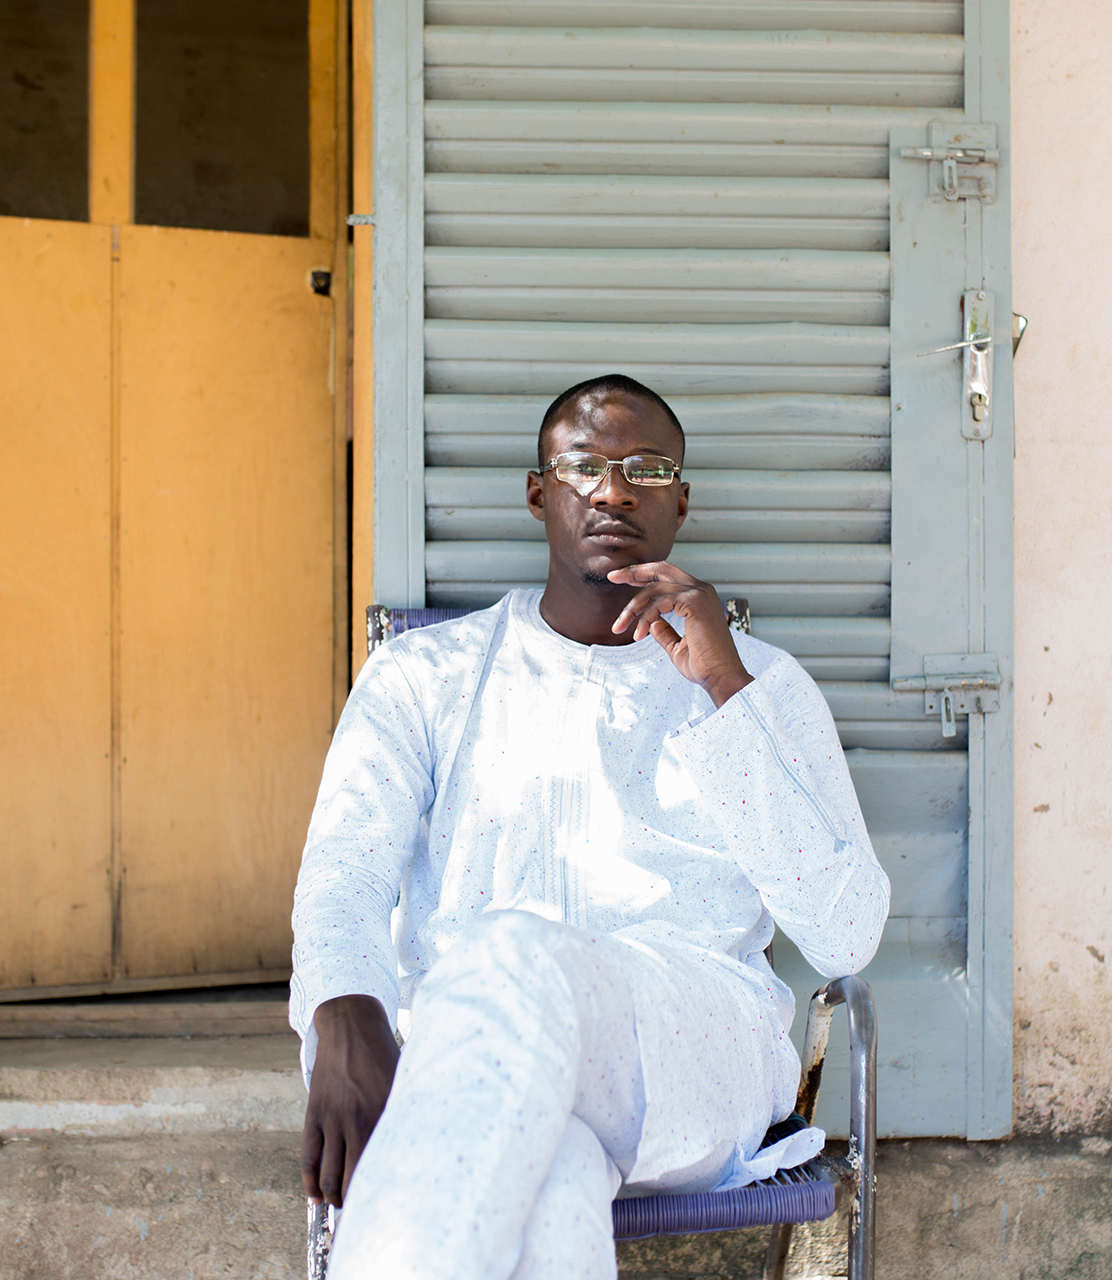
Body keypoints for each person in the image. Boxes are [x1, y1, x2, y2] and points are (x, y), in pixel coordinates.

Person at [289, 374, 889, 1279]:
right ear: (540, 493)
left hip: (694, 1049)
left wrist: (726, 692)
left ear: (681, 501)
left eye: (645, 470)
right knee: (556, 1175)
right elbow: (344, 875)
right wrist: (341, 1014)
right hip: (483, 1057)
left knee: (509, 957)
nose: (613, 490)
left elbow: (844, 932)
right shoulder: (424, 677)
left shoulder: (762, 684)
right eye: (583, 466)